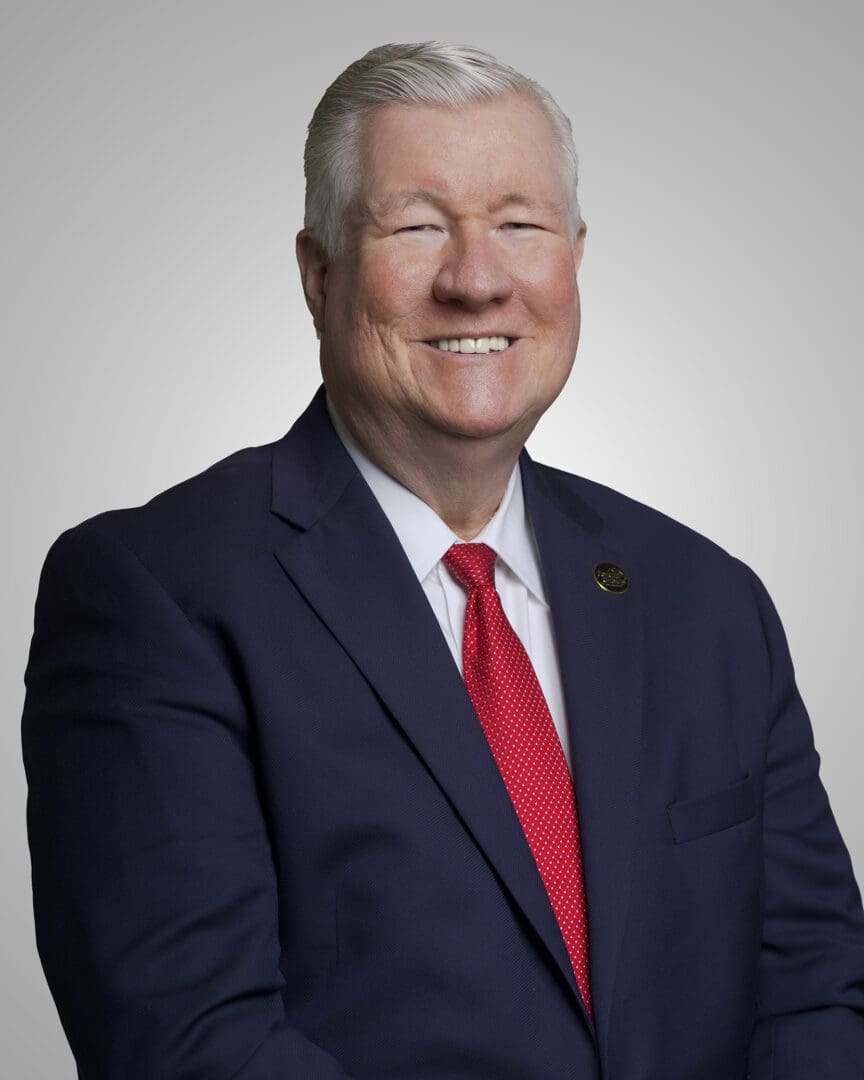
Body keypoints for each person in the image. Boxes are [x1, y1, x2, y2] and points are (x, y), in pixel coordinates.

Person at [22, 41, 864, 1080]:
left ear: (575, 258)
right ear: (318, 274)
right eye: (418, 227)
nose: (476, 280)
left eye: (519, 225)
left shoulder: (711, 601)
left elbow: (816, 992)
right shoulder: (155, 596)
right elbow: (192, 1044)